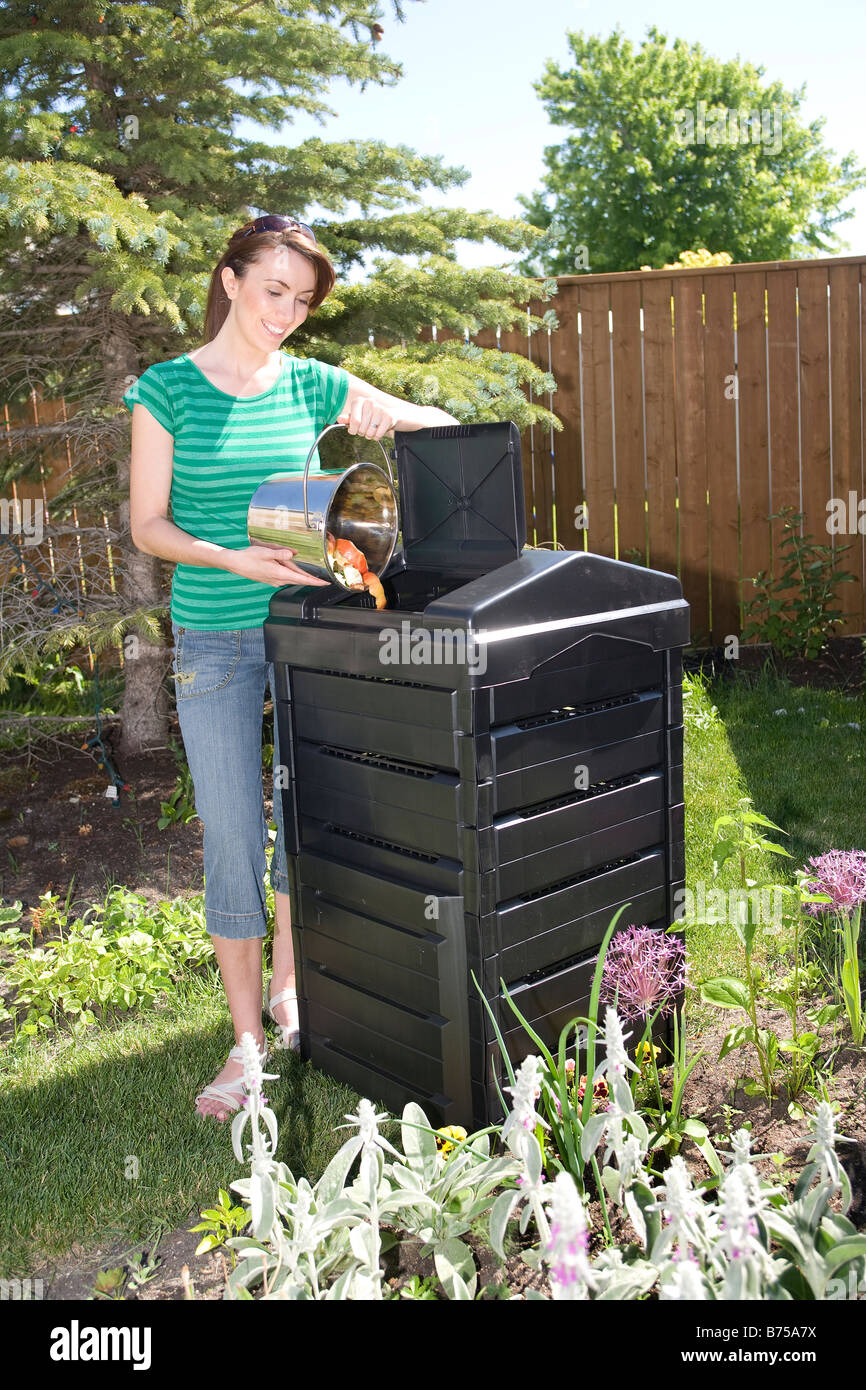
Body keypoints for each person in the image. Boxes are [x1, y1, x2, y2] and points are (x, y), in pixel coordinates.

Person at [124, 214, 459, 1120]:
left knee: (305, 819)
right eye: (274, 290)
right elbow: (146, 524)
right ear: (230, 279)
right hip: (217, 642)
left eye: (303, 300)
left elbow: (427, 426)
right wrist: (231, 557)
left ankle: (289, 986)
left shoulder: (310, 383)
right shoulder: (167, 391)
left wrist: (421, 424)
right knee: (235, 835)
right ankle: (245, 1047)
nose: (286, 313)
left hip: (311, 637)